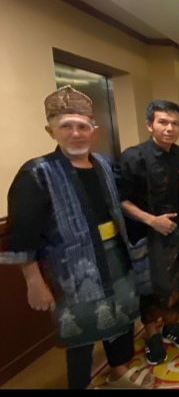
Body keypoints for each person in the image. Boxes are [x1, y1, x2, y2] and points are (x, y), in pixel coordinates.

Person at [0, 86, 154, 389]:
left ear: (94, 131)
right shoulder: (37, 173)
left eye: (82, 126)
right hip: (70, 269)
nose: (76, 133)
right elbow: (24, 232)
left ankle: (119, 370)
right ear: (51, 131)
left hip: (115, 255)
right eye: (66, 126)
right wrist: (34, 281)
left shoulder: (104, 164)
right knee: (79, 329)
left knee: (121, 316)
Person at [119, 100, 179, 365]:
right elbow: (121, 200)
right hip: (147, 233)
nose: (169, 128)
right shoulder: (133, 157)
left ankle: (171, 326)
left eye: (175, 123)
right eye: (163, 122)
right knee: (152, 286)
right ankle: (152, 335)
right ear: (149, 125)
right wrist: (152, 220)